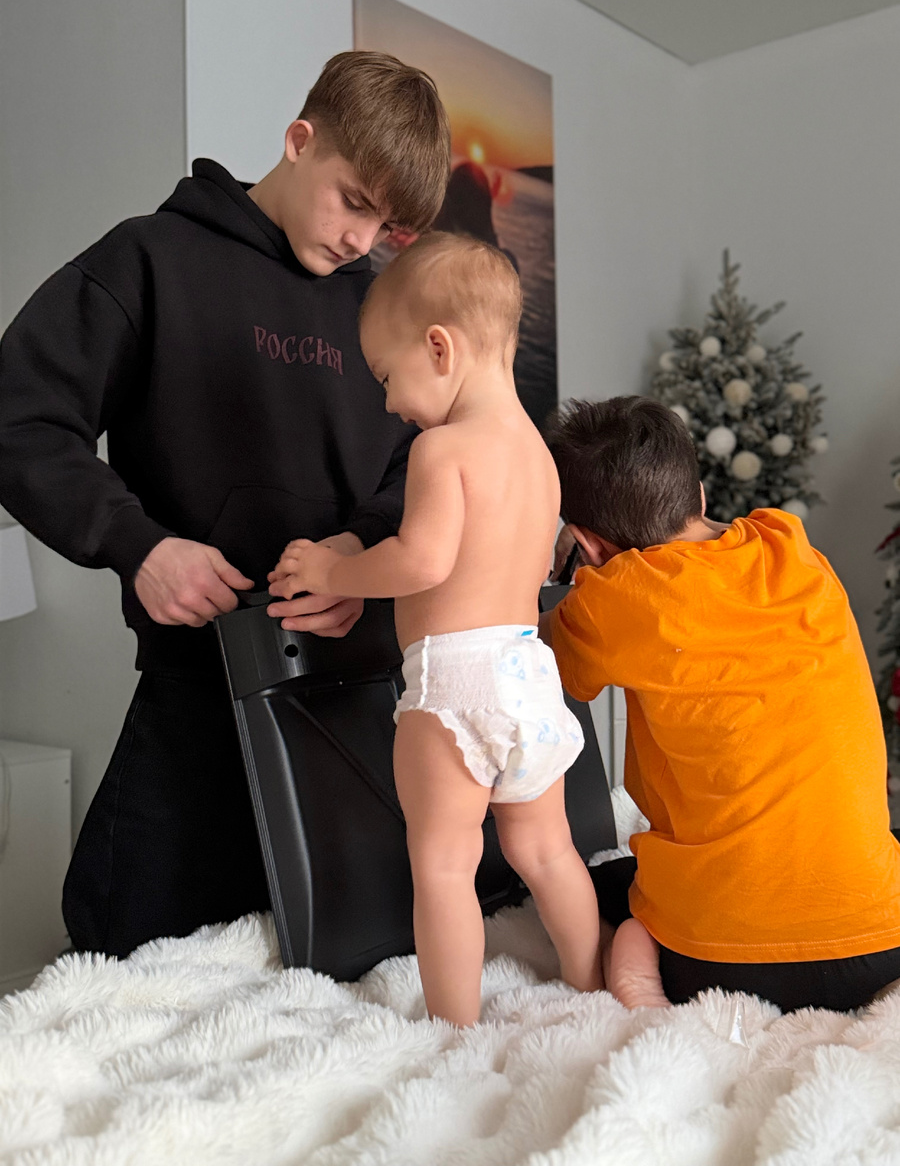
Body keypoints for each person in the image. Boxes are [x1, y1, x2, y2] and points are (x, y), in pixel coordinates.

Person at [0, 51, 451, 958]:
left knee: (344, 981)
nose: (361, 239)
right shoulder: (150, 258)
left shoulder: (384, 311)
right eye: (354, 201)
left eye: (386, 225)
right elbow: (21, 417)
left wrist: (360, 553)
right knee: (121, 960)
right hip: (194, 699)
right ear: (299, 140)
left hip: (354, 707)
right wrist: (137, 545)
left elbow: (426, 460)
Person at [269, 233, 602, 1026]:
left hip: (456, 684)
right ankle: (592, 987)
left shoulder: (441, 449)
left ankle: (454, 1030)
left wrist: (333, 571)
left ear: (439, 348)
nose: (389, 403)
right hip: (529, 675)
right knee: (547, 849)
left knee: (445, 865)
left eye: (388, 377)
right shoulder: (540, 459)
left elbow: (420, 561)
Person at [542, 395, 900, 1013]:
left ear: (589, 545)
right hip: (878, 938)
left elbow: (537, 652)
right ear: (701, 496)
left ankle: (638, 986)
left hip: (723, 961)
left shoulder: (616, 598)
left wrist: (566, 575)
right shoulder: (791, 548)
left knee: (606, 890)